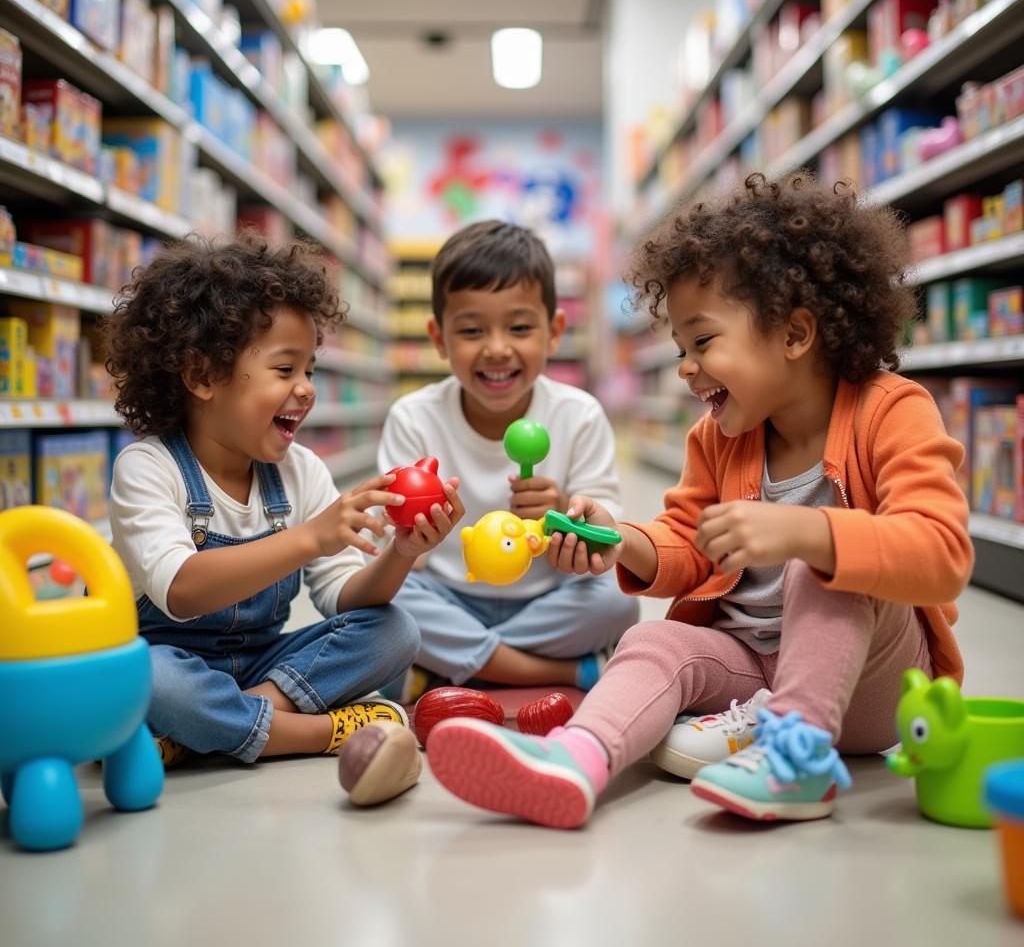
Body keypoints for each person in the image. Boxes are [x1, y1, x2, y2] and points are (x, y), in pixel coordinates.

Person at [425, 173, 973, 826]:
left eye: (703, 342)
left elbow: (943, 555)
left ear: (795, 333)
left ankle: (795, 761)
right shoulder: (717, 438)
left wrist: (809, 535)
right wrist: (618, 536)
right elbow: (686, 542)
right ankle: (575, 760)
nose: (685, 367)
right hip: (752, 668)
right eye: (681, 348)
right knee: (654, 645)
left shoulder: (892, 411)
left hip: (874, 683)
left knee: (827, 563)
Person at [106, 234, 465, 767]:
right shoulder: (149, 469)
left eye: (310, 370)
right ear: (203, 376)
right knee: (153, 678)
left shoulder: (299, 472)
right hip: (176, 661)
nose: (306, 388)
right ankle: (316, 733)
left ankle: (222, 725)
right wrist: (308, 538)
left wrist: (403, 552)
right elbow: (180, 590)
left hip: (265, 667)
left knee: (396, 630)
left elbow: (347, 599)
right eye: (284, 370)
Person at [378, 220, 637, 702]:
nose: (497, 348)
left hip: (547, 598)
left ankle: (448, 666)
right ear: (439, 338)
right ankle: (562, 673)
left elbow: (608, 537)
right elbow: (395, 555)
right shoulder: (413, 418)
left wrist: (564, 513)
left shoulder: (578, 414)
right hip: (449, 595)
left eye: (519, 328)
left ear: (554, 331)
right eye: (472, 330)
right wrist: (414, 537)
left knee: (618, 599)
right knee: (384, 601)